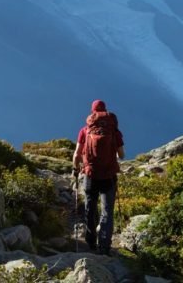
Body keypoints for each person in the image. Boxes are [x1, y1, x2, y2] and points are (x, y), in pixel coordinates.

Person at [72, 99, 125, 255]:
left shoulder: (85, 130)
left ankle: (90, 242)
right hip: (108, 176)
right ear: (106, 111)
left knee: (90, 208)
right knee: (107, 210)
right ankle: (104, 246)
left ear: (92, 112)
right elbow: (121, 155)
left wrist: (76, 168)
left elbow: (76, 155)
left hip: (90, 174)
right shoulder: (115, 131)